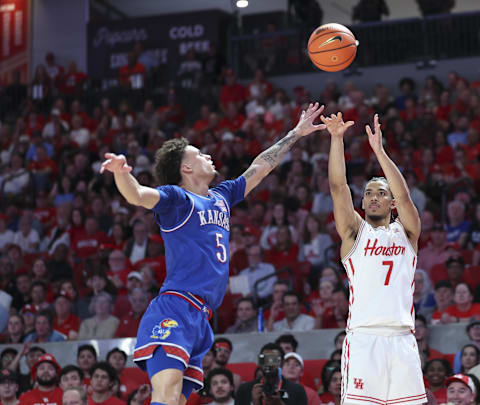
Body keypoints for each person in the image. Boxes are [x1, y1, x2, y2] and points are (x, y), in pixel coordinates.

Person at [100, 102, 326, 405]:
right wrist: (121, 173)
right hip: (175, 308)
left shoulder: (222, 196)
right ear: (186, 167)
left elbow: (260, 167)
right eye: (199, 154)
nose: (208, 156)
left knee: (178, 401)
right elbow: (138, 195)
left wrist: (296, 134)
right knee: (166, 394)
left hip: (202, 317)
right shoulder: (178, 199)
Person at [321, 112, 426, 405]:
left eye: (381, 193)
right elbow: (338, 187)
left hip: (403, 339)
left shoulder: (407, 232)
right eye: (368, 193)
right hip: (365, 339)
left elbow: (405, 197)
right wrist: (336, 139)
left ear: (391, 202)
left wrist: (379, 152)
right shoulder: (355, 233)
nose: (373, 197)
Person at [234, 343, 307, 405]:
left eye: (273, 359)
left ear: (282, 363)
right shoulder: (245, 390)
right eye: (265, 359)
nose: (269, 364)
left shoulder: (297, 390)